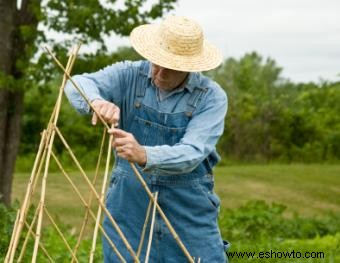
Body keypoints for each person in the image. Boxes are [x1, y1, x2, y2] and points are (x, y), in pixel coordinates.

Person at [65, 16, 228, 262]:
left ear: (190, 66)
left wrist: (144, 154)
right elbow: (78, 83)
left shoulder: (211, 97)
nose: (159, 72)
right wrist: (96, 102)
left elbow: (193, 152)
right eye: (156, 63)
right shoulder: (130, 74)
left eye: (169, 67)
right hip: (130, 201)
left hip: (187, 205)